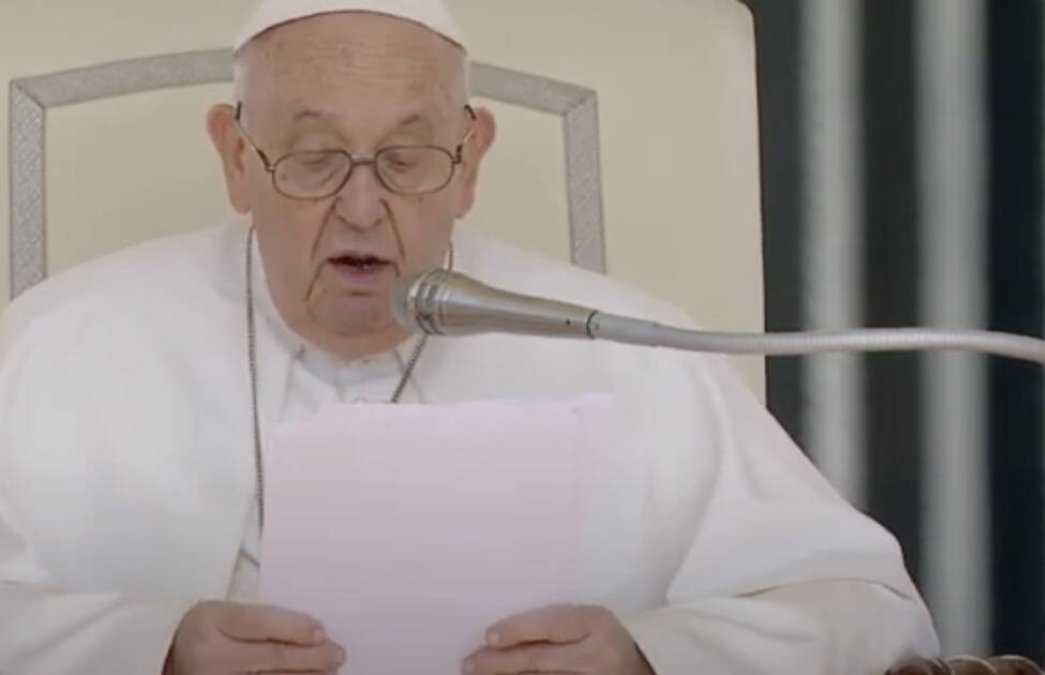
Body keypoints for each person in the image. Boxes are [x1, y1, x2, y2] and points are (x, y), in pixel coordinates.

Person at [0, 1, 939, 673]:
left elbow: (875, 614)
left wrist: (654, 654)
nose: (363, 207)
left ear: (472, 160)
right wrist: (147, 647)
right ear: (237, 158)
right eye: (314, 158)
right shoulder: (60, 340)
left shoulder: (620, 345)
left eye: (408, 159)